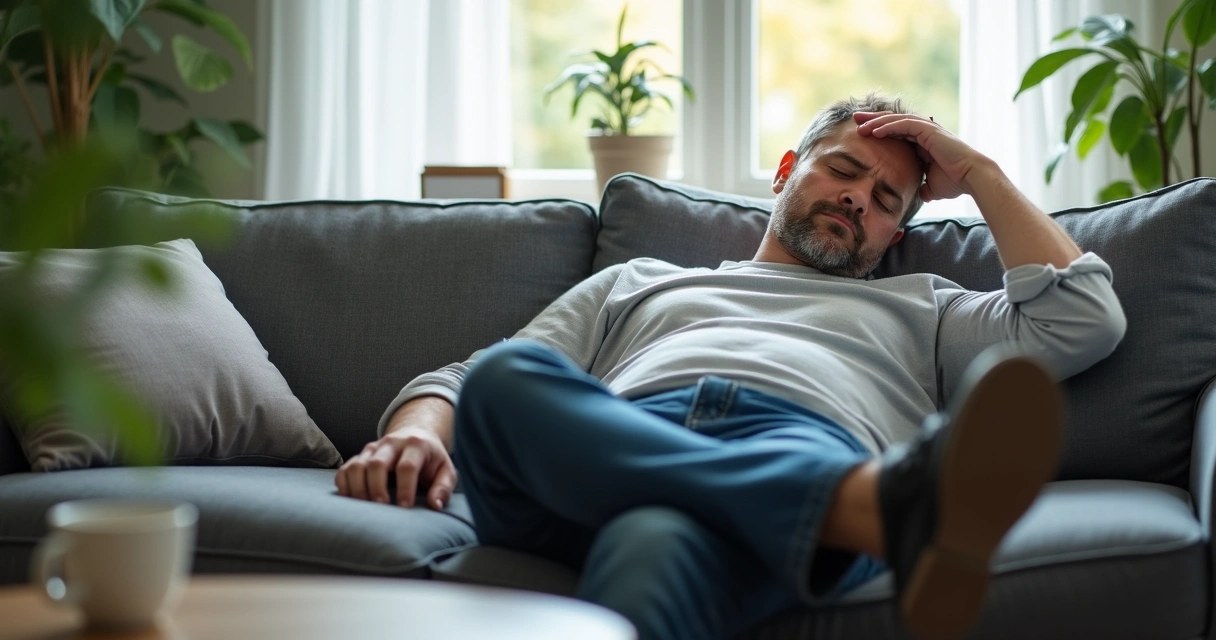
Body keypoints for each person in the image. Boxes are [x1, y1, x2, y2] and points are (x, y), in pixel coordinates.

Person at [334, 93, 1126, 640]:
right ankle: (864, 510)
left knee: (654, 543)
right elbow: (474, 382)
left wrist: (978, 170)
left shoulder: (930, 306)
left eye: (889, 201)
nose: (860, 200)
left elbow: (1082, 316)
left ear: (894, 237)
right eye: (844, 170)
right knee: (511, 377)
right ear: (786, 170)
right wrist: (416, 435)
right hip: (604, 450)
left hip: (791, 444)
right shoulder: (640, 281)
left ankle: (826, 499)